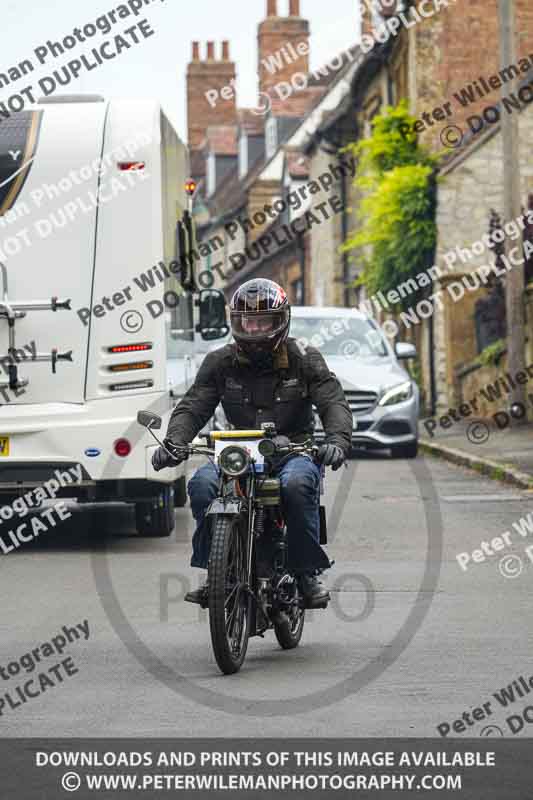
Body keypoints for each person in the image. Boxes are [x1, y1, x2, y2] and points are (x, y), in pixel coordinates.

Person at [152, 278, 352, 608]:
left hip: (293, 450)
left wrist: (337, 440)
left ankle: (305, 573)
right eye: (248, 321)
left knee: (298, 484)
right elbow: (193, 405)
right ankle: (217, 572)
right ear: (236, 323)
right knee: (202, 485)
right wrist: (175, 442)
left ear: (281, 321)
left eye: (264, 321)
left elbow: (333, 402)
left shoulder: (304, 358)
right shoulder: (220, 362)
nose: (256, 329)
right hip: (239, 452)